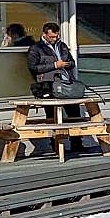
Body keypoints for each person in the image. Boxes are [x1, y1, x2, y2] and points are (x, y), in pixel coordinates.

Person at [25, 22, 92, 154]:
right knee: (52, 116)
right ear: (44, 34)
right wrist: (55, 65)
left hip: (66, 85)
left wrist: (67, 64)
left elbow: (72, 62)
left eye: (56, 36)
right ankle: (56, 145)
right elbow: (33, 67)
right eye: (51, 37)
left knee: (74, 113)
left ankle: (77, 143)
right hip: (48, 86)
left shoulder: (62, 46)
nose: (54, 39)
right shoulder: (36, 48)